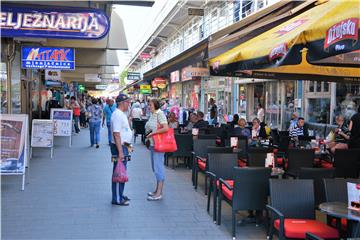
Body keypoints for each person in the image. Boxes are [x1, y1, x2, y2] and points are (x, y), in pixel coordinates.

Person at [110, 94, 133, 206]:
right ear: (122, 103)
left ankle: (120, 194)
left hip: (124, 146)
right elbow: (116, 134)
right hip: (120, 147)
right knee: (119, 172)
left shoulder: (121, 114)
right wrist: (120, 152)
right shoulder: (118, 115)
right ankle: (117, 198)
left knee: (122, 171)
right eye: (127, 102)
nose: (129, 104)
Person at [145, 99, 169, 201]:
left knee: (158, 168)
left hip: (158, 145)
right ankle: (157, 190)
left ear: (155, 105)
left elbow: (166, 128)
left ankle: (159, 193)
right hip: (152, 144)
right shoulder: (153, 114)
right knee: (155, 168)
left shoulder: (160, 114)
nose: (148, 106)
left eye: (150, 105)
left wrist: (153, 134)